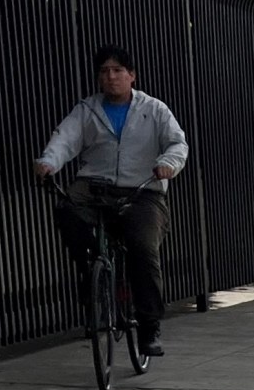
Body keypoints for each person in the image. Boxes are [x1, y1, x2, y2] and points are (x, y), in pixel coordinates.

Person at [34, 46, 188, 356]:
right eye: (104, 71)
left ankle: (149, 325)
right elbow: (65, 139)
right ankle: (90, 270)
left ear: (132, 76)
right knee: (67, 208)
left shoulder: (155, 110)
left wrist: (168, 163)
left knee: (144, 251)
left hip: (142, 188)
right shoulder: (87, 110)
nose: (111, 76)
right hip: (95, 185)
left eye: (118, 70)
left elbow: (177, 143)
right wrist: (48, 162)